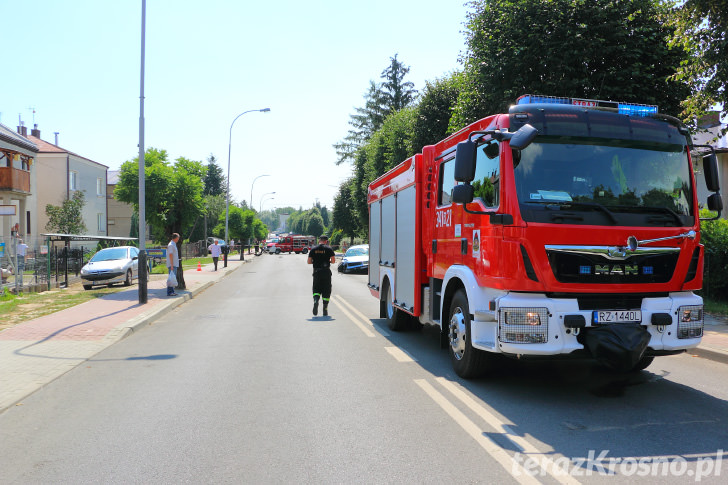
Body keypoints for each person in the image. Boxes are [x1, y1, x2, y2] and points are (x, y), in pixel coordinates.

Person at [307, 234, 336, 316]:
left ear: (319, 240)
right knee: (326, 289)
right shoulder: (329, 249)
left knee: (316, 288)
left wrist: (316, 262)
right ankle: (325, 308)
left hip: (316, 272)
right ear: (326, 241)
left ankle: (316, 300)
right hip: (326, 272)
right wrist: (328, 261)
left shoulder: (313, 249)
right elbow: (333, 261)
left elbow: (309, 262)